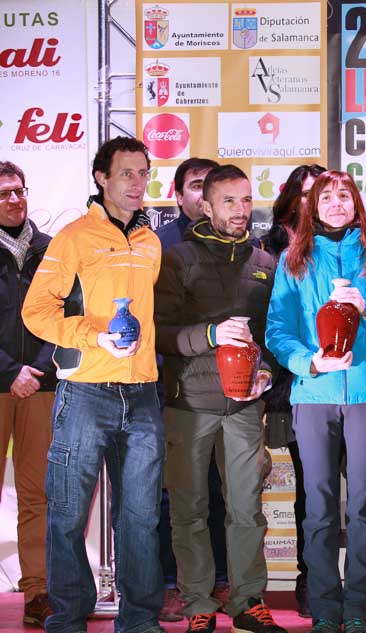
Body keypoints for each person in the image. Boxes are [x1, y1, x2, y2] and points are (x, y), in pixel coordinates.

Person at [21, 136, 165, 633]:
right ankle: (68, 619)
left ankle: (140, 621)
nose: (137, 183)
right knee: (67, 514)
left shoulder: (151, 242)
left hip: (142, 394)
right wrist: (94, 335)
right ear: (101, 178)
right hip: (84, 392)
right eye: (127, 173)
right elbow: (36, 311)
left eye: (143, 173)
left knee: (141, 518)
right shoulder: (73, 237)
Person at [266, 170, 366, 633]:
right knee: (319, 507)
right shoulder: (294, 260)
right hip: (313, 396)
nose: (336, 203)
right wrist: (309, 362)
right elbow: (277, 331)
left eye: (345, 195)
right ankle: (325, 607)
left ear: (357, 203)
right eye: (326, 197)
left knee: (363, 506)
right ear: (312, 207)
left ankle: (359, 608)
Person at [155, 164, 284, 633]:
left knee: (246, 509)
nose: (240, 210)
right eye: (228, 201)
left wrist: (266, 371)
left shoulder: (264, 263)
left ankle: (248, 602)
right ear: (205, 206)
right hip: (188, 404)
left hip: (245, 406)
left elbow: (273, 335)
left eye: (246, 200)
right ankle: (198, 604)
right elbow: (158, 332)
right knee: (189, 510)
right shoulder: (177, 259)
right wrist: (210, 334)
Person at [153, 156, 228, 623]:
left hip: (225, 389)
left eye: (210, 186)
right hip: (171, 387)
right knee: (174, 493)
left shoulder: (241, 246)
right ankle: (170, 583)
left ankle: (220, 578)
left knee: (220, 490)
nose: (203, 194)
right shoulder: (159, 245)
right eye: (196, 185)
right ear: (178, 195)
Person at [260, 163, 325, 618]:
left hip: (335, 385)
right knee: (299, 488)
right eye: (306, 194)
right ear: (290, 200)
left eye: (323, 193)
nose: (315, 203)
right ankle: (303, 580)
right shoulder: (265, 251)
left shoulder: (343, 245)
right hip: (280, 386)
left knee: (324, 491)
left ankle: (320, 578)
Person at [0, 161, 56, 626]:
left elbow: (68, 315)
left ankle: (38, 590)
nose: (15, 199)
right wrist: (9, 370)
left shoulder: (51, 250)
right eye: (4, 194)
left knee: (38, 493)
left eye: (19, 190)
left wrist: (36, 369)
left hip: (40, 384)